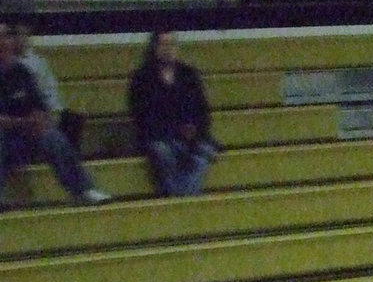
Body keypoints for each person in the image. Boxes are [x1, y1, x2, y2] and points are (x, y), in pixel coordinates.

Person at [0, 22, 110, 209]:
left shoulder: (22, 72)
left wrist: (40, 119)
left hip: (26, 135)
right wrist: (24, 122)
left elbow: (40, 106)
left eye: (6, 36)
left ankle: (83, 190)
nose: (4, 41)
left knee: (53, 137)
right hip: (7, 136)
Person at [127, 31, 218, 197]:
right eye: (164, 45)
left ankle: (181, 199)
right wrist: (174, 131)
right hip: (158, 137)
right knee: (164, 153)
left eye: (172, 45)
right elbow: (142, 116)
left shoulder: (189, 74)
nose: (168, 49)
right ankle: (182, 200)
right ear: (154, 48)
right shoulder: (142, 78)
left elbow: (202, 110)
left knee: (205, 152)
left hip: (190, 136)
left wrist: (194, 130)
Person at [12, 16, 86, 153]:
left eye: (23, 35)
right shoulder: (8, 65)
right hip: (24, 117)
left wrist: (54, 113)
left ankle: (68, 164)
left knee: (72, 120)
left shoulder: (39, 62)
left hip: (45, 113)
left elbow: (51, 92)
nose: (20, 39)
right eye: (16, 35)